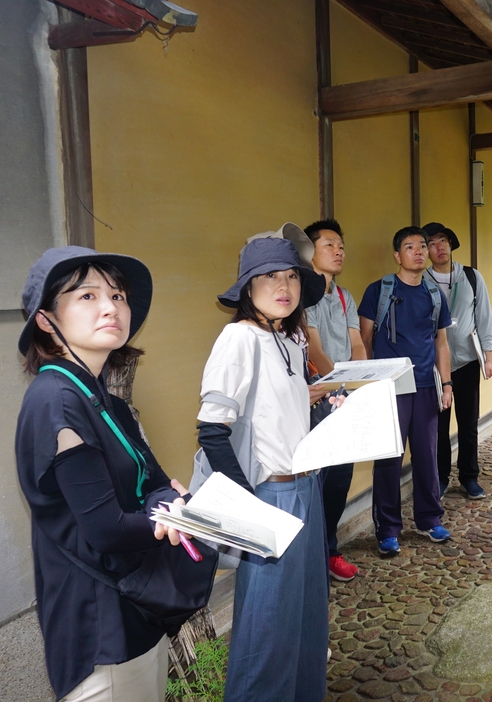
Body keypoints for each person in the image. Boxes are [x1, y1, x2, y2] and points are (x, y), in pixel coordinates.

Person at [15, 246, 199, 701]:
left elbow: (156, 482)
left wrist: (165, 502)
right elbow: (107, 528)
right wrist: (173, 515)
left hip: (137, 604)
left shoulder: (106, 400)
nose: (109, 307)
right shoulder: (57, 400)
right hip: (100, 624)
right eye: (86, 296)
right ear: (45, 320)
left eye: (117, 296)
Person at [196, 234, 330, 701]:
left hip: (305, 488)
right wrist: (245, 504)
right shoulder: (239, 338)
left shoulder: (289, 339)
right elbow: (212, 429)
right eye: (270, 276)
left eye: (291, 275)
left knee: (307, 616)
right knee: (266, 625)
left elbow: (281, 412)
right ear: (248, 286)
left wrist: (318, 402)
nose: (284, 285)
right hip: (269, 494)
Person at [359, 226, 453, 556]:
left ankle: (430, 519)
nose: (419, 251)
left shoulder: (434, 293)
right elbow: (364, 339)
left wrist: (447, 383)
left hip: (426, 385)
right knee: (388, 459)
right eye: (410, 247)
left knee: (428, 455)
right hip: (390, 388)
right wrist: (372, 384)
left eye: (422, 246)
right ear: (397, 255)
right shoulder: (379, 291)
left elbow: (441, 342)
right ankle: (388, 528)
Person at [304, 218, 367, 582]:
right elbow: (314, 349)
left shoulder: (344, 296)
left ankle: (329, 550)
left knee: (341, 478)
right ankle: (313, 554)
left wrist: (357, 380)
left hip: (344, 396)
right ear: (311, 251)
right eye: (329, 244)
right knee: (318, 478)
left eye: (341, 245)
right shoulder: (304, 295)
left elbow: (357, 344)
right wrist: (337, 385)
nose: (338, 250)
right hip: (318, 397)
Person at [423, 222, 492, 499]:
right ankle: (440, 477)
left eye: (442, 240)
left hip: (466, 361)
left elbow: (485, 317)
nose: (438, 247)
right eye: (431, 243)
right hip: (433, 365)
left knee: (468, 423)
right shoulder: (423, 280)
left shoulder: (471, 277)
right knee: (438, 426)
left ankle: (469, 477)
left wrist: (488, 357)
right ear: (425, 250)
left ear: (451, 244)